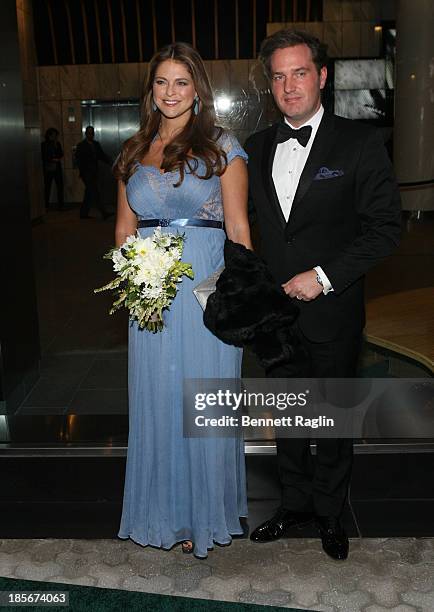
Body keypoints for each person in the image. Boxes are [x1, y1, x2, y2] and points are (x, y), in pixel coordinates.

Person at [245, 30, 401, 560]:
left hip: (333, 308)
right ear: (270, 84)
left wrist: (324, 275)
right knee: (289, 417)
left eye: (300, 73)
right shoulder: (256, 146)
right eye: (279, 76)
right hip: (277, 318)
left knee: (331, 418)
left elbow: (385, 229)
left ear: (322, 77)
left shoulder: (358, 143)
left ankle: (331, 514)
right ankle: (294, 506)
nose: (289, 86)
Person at [114, 42, 252, 559]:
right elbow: (124, 231)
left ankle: (202, 515)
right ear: (150, 91)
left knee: (205, 398)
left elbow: (238, 228)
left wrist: (239, 302)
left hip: (205, 294)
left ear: (197, 90)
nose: (170, 92)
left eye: (181, 82)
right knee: (157, 400)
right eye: (161, 82)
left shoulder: (221, 147)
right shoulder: (132, 151)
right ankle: (161, 514)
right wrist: (134, 283)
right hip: (149, 296)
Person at [75, 126, 112, 219]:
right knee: (94, 192)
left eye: (92, 133)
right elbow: (79, 160)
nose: (91, 135)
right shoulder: (81, 145)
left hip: (94, 172)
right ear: (86, 134)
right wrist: (82, 172)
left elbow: (101, 155)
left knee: (89, 192)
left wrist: (111, 162)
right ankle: (103, 212)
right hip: (86, 173)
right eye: (89, 133)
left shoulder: (96, 144)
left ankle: (83, 214)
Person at [41, 127, 64, 210]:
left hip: (57, 168)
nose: (55, 137)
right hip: (48, 168)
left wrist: (56, 157)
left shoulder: (57, 144)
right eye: (54, 135)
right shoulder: (44, 144)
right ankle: (46, 205)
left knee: (60, 186)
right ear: (49, 135)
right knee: (47, 187)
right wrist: (51, 159)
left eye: (56, 135)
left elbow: (61, 154)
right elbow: (43, 156)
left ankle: (61, 205)